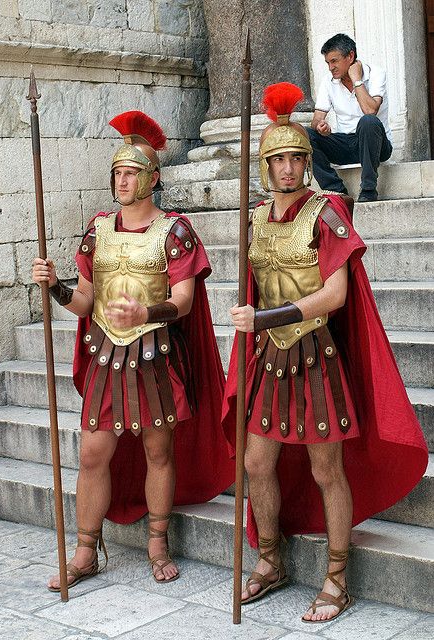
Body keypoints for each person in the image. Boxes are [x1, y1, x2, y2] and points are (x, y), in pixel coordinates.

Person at [222, 83, 427, 623]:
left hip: (316, 356)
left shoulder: (329, 210)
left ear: (306, 162)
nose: (287, 168)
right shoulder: (256, 220)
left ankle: (337, 577)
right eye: (278, 160)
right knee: (255, 462)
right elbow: (253, 289)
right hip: (270, 361)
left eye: (295, 158)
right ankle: (270, 561)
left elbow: (335, 295)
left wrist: (268, 319)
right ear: (266, 167)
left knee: (326, 469)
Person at [32, 110, 235, 591]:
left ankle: (157, 543)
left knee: (158, 452)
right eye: (117, 173)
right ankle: (85, 550)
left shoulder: (176, 231)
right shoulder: (97, 230)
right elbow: (85, 301)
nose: (122, 181)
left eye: (131, 173)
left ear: (152, 178)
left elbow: (184, 302)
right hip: (106, 353)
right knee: (92, 455)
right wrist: (56, 287)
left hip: (154, 354)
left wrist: (145, 314)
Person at [306, 33, 393, 202]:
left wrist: (357, 79)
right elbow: (316, 119)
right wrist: (320, 126)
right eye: (328, 63)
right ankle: (336, 191)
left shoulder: (376, 73)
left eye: (334, 61)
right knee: (305, 133)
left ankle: (368, 189)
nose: (331, 67)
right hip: (347, 144)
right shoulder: (328, 82)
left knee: (368, 121)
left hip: (376, 145)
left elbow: (370, 110)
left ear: (350, 56)